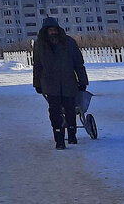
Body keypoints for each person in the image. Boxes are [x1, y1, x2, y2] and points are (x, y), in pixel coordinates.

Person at [32, 17, 89, 149]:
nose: (53, 33)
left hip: (68, 82)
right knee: (54, 112)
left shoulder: (69, 43)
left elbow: (79, 64)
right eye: (50, 31)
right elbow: (37, 65)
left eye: (54, 30)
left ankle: (72, 134)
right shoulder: (40, 45)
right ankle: (59, 139)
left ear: (58, 30)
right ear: (45, 32)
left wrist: (82, 81)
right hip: (50, 84)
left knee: (70, 110)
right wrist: (37, 84)